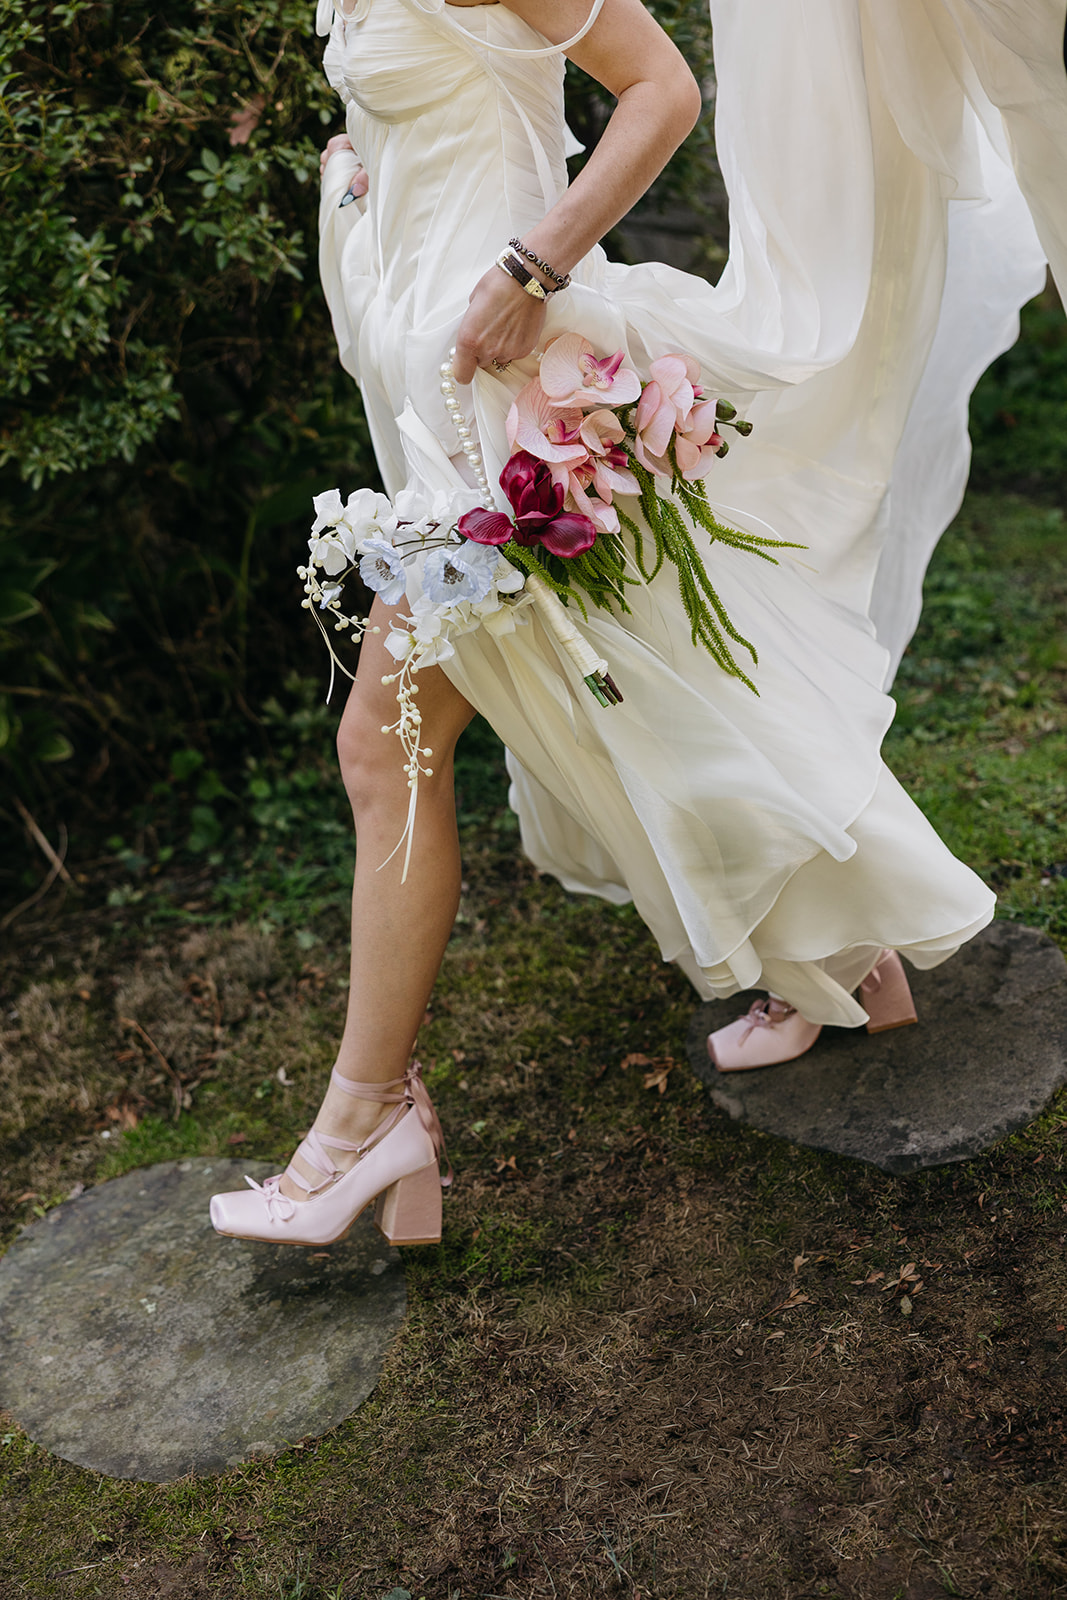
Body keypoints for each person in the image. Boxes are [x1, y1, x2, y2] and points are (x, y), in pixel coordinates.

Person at [209, 0, 1065, 1248]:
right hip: (437, 408)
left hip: (508, 412)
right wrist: (355, 188)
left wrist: (529, 270)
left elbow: (660, 89)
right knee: (654, 704)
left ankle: (364, 1126)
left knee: (392, 751)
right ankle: (852, 963)